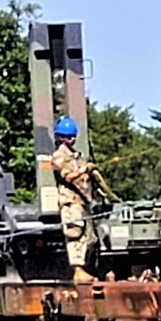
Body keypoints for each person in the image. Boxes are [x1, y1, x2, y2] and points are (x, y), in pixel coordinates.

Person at [51, 116, 97, 284]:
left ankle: (84, 268)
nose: (71, 139)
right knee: (74, 234)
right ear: (60, 137)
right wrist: (83, 169)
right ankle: (77, 270)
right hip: (70, 203)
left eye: (72, 136)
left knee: (88, 237)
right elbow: (68, 177)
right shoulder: (58, 156)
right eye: (68, 136)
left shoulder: (76, 156)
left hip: (82, 201)